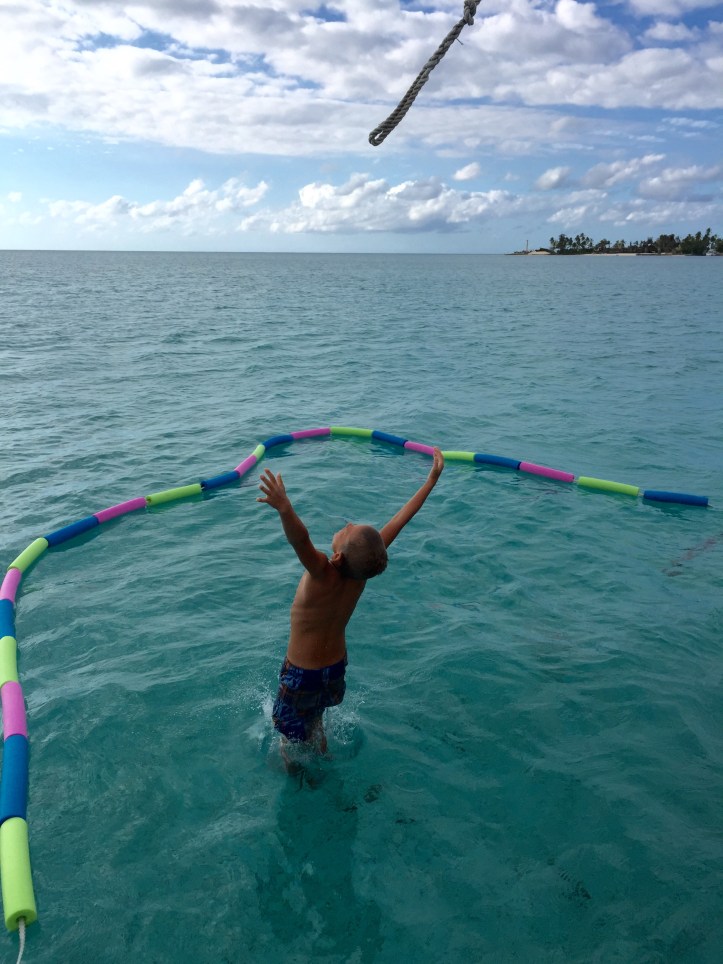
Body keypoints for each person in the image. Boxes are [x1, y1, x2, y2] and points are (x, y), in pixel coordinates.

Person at [257, 448, 445, 756]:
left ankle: (300, 777)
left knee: (288, 740)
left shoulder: (321, 573)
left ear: (338, 555)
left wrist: (284, 508)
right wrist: (431, 480)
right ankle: (323, 753)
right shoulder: (362, 572)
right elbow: (402, 518)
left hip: (302, 673)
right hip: (334, 670)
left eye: (348, 530)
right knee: (316, 721)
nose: (346, 525)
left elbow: (300, 539)